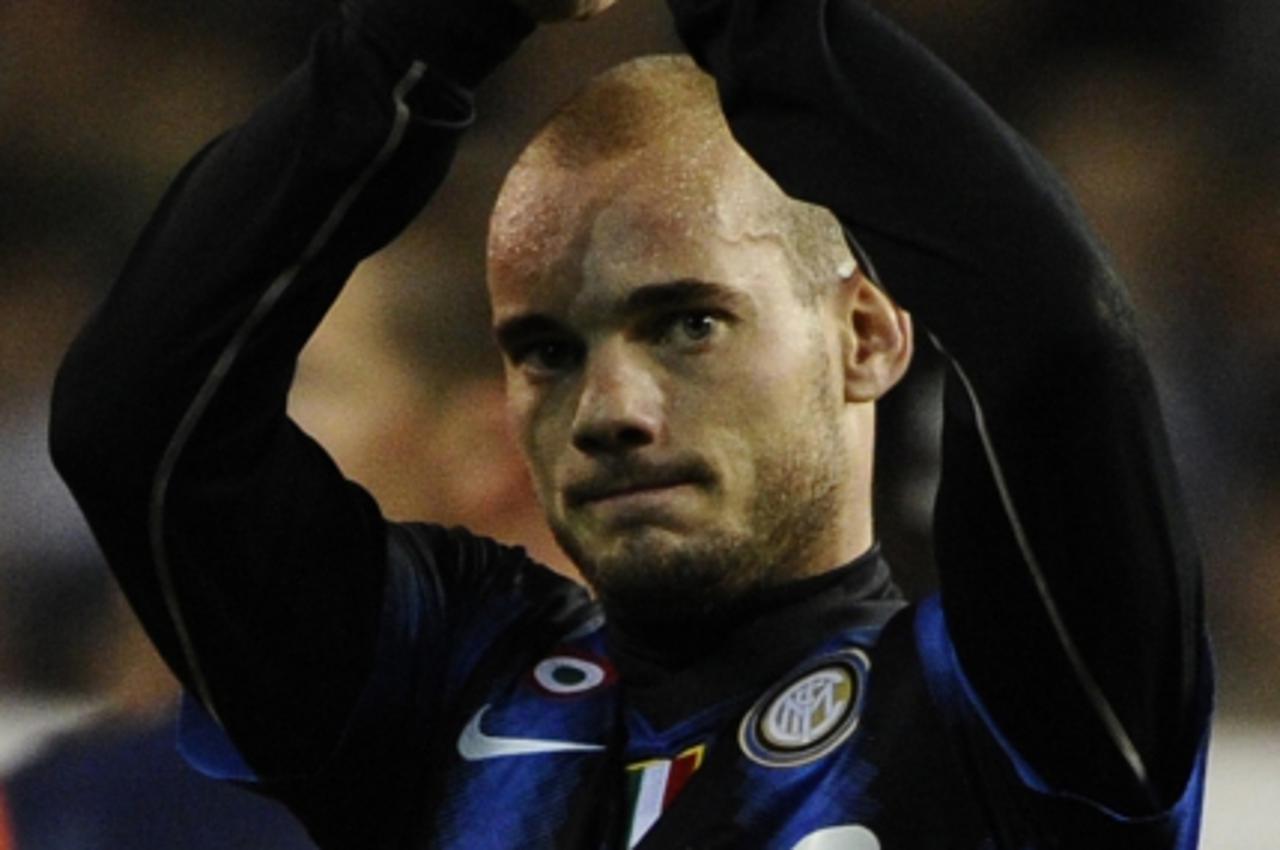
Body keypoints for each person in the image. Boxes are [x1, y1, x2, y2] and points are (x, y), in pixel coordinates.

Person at [49, 0, 1211, 847]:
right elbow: (138, 420)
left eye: (688, 324)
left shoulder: (1017, 713)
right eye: (545, 351)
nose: (609, 409)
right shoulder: (440, 682)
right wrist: (413, 35)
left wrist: (763, 21)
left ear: (865, 336)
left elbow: (1058, 341)